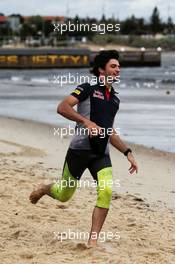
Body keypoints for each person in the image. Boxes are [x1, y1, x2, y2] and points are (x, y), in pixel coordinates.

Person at [29, 50, 138, 246]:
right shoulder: (87, 88)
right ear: (101, 70)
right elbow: (63, 107)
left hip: (101, 154)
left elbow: (110, 131)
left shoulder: (114, 99)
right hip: (80, 150)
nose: (118, 70)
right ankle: (45, 189)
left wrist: (127, 152)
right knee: (64, 195)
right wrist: (85, 122)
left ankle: (92, 241)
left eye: (119, 67)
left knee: (105, 191)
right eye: (113, 66)